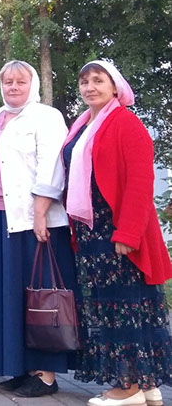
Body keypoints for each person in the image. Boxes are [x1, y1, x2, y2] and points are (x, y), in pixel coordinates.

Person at [61, 60, 172, 406]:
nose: (90, 87)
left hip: (117, 231)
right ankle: (145, 382)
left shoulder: (125, 122)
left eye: (98, 80)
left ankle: (128, 387)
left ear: (115, 87)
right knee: (113, 306)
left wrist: (128, 233)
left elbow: (141, 181)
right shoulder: (82, 126)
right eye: (84, 82)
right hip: (92, 232)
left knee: (126, 305)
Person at [0, 60, 76, 398]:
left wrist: (40, 212)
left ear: (34, 85)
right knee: (8, 295)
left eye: (20, 81)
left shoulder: (46, 117)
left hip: (33, 220)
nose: (13, 87)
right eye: (8, 82)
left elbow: (52, 167)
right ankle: (22, 366)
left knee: (40, 294)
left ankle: (46, 375)